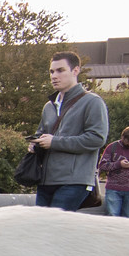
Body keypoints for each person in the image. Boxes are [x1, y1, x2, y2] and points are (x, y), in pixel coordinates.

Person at [28, 52, 109, 210]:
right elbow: (42, 133)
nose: (54, 76)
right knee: (42, 229)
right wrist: (35, 143)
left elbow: (97, 138)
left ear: (75, 71)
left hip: (74, 180)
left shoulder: (92, 102)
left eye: (60, 70)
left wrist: (54, 142)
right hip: (46, 179)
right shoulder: (49, 106)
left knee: (55, 229)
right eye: (51, 72)